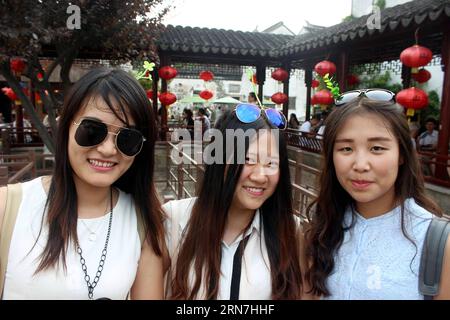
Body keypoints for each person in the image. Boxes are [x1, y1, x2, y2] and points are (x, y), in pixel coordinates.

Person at [0, 68, 166, 299]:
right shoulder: (8, 207)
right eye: (92, 130)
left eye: (127, 138)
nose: (108, 150)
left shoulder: (143, 220)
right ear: (67, 127)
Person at [302, 91, 449, 300]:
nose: (360, 165)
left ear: (401, 155)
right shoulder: (323, 228)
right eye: (346, 148)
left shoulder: (437, 241)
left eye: (377, 148)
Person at [163, 109, 303, 299]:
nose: (260, 176)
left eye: (271, 163)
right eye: (247, 160)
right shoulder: (174, 219)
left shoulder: (289, 230)